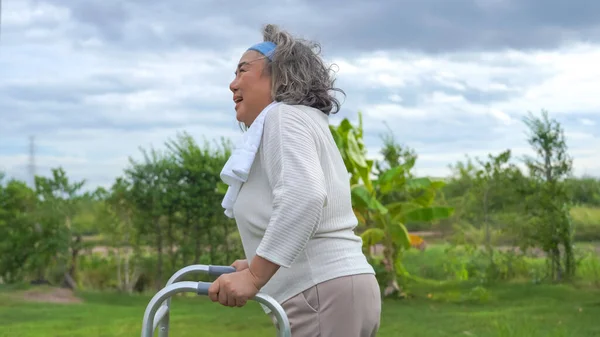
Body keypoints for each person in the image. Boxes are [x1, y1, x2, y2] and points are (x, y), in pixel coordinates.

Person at [208, 23, 381, 337]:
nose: (232, 84)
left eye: (243, 70)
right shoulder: (302, 120)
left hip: (321, 294)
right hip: (336, 290)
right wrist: (256, 262)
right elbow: (315, 217)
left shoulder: (282, 116)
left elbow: (305, 197)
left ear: (280, 74)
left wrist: (255, 277)